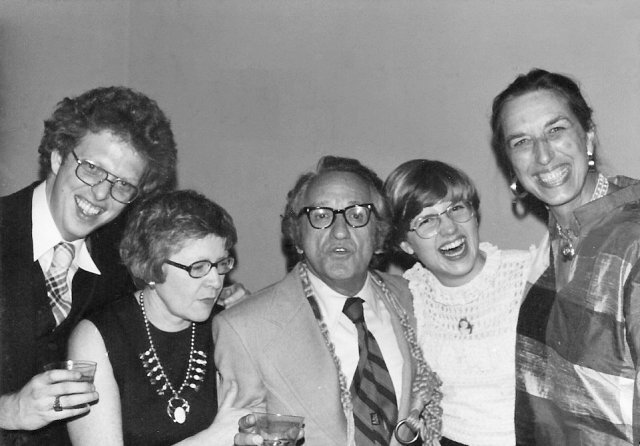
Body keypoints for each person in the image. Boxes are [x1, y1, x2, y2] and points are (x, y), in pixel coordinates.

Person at [213, 155, 443, 446]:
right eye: (321, 215)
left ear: (378, 232)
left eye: (357, 214)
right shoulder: (244, 330)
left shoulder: (417, 297)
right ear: (298, 235)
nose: (339, 231)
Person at [0, 86, 178, 445]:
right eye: (93, 169)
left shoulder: (124, 259)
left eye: (123, 185)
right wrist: (9, 411)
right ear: (56, 157)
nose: (101, 195)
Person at [490, 68, 640, 445]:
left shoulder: (632, 240)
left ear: (587, 136)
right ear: (511, 164)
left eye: (556, 130)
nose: (542, 155)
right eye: (521, 141)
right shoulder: (549, 250)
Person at [65, 190, 249, 445]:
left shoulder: (225, 326)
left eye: (221, 264)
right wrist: (211, 440)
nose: (215, 281)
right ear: (150, 267)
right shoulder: (97, 337)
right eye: (198, 267)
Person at [383, 159, 535, 446]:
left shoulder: (527, 274)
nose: (449, 229)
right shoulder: (408, 296)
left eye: (456, 209)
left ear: (474, 215)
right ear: (405, 244)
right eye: (426, 221)